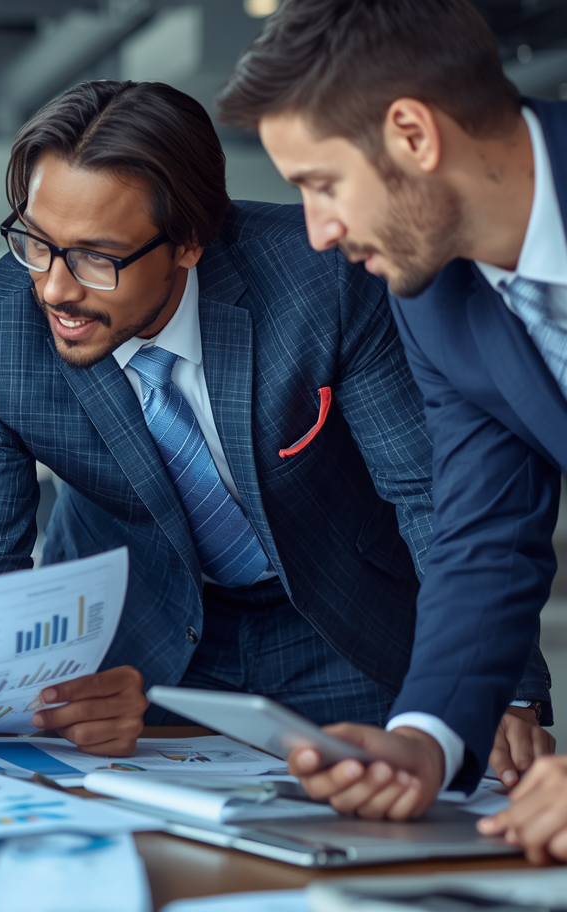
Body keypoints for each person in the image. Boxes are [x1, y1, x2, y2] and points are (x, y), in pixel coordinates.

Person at [0, 79, 552, 761]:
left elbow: (431, 495)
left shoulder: (323, 282)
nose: (54, 288)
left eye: (98, 257)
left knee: (380, 804)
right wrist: (13, 691)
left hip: (340, 618)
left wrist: (499, 687)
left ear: (189, 242)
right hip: (136, 638)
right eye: (37, 243)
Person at [217, 0, 561, 830]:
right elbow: (484, 527)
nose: (318, 231)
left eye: (322, 184)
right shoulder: (431, 288)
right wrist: (424, 739)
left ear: (412, 133)